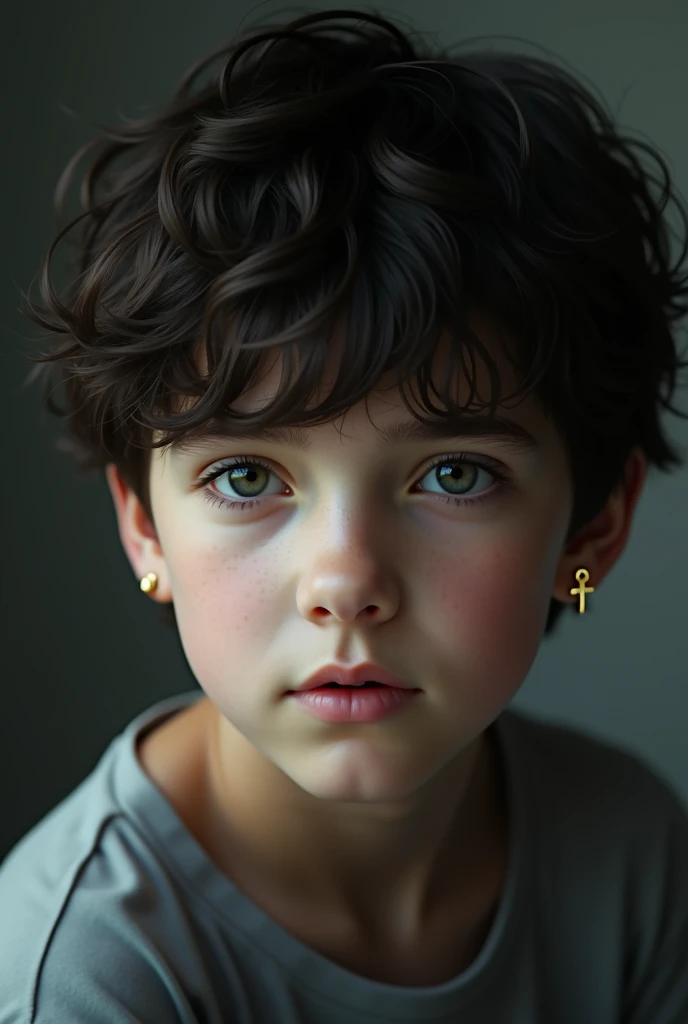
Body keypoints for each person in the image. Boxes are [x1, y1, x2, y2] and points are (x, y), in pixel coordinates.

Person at [2, 7, 688, 1022]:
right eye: (245, 478)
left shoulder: (628, 853)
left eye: (453, 475)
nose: (345, 583)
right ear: (144, 527)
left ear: (592, 530)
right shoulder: (85, 973)